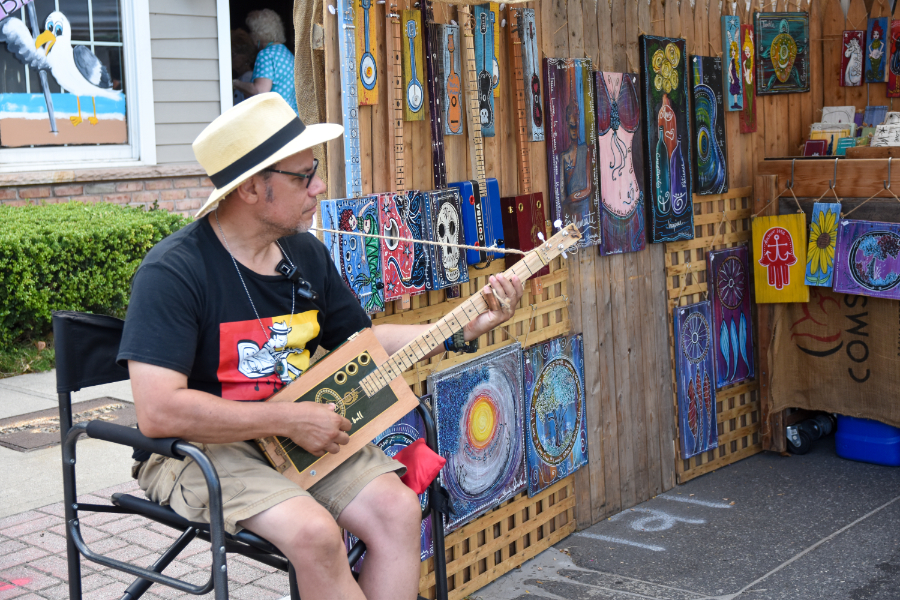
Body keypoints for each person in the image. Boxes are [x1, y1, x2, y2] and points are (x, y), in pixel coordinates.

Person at [117, 92, 524, 600]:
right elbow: (159, 412)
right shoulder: (173, 271)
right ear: (250, 188)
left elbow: (364, 344)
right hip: (200, 449)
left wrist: (462, 326)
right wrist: (288, 420)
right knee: (315, 534)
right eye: (303, 176)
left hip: (294, 433)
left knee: (398, 510)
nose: (320, 187)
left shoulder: (304, 253)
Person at [232, 9, 298, 113]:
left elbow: (260, 91)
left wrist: (235, 83)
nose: (250, 35)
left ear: (258, 33)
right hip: (291, 116)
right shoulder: (286, 53)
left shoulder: (266, 54)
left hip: (274, 117)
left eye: (251, 31)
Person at [231, 29, 258, 105]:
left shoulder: (247, 78)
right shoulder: (243, 76)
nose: (231, 59)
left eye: (233, 55)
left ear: (245, 56)